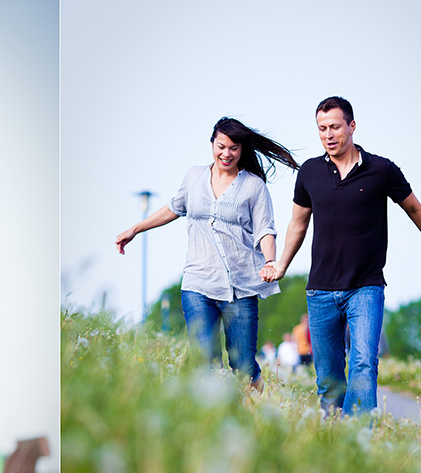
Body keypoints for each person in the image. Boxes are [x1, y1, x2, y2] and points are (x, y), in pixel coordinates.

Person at [261, 96, 421, 416]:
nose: (328, 134)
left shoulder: (381, 170)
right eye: (322, 129)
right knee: (328, 380)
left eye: (335, 127)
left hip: (365, 287)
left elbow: (414, 209)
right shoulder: (310, 172)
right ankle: (335, 440)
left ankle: (360, 440)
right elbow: (298, 223)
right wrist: (282, 264)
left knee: (364, 364)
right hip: (321, 290)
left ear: (351, 126)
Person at [116, 117, 299, 391]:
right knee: (205, 361)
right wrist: (135, 229)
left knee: (244, 366)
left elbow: (265, 230)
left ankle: (265, 412)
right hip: (198, 284)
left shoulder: (253, 186)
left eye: (234, 148)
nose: (226, 153)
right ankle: (216, 420)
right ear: (212, 143)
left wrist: (271, 260)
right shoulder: (194, 177)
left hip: (241, 287)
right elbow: (174, 208)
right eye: (221, 146)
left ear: (242, 150)